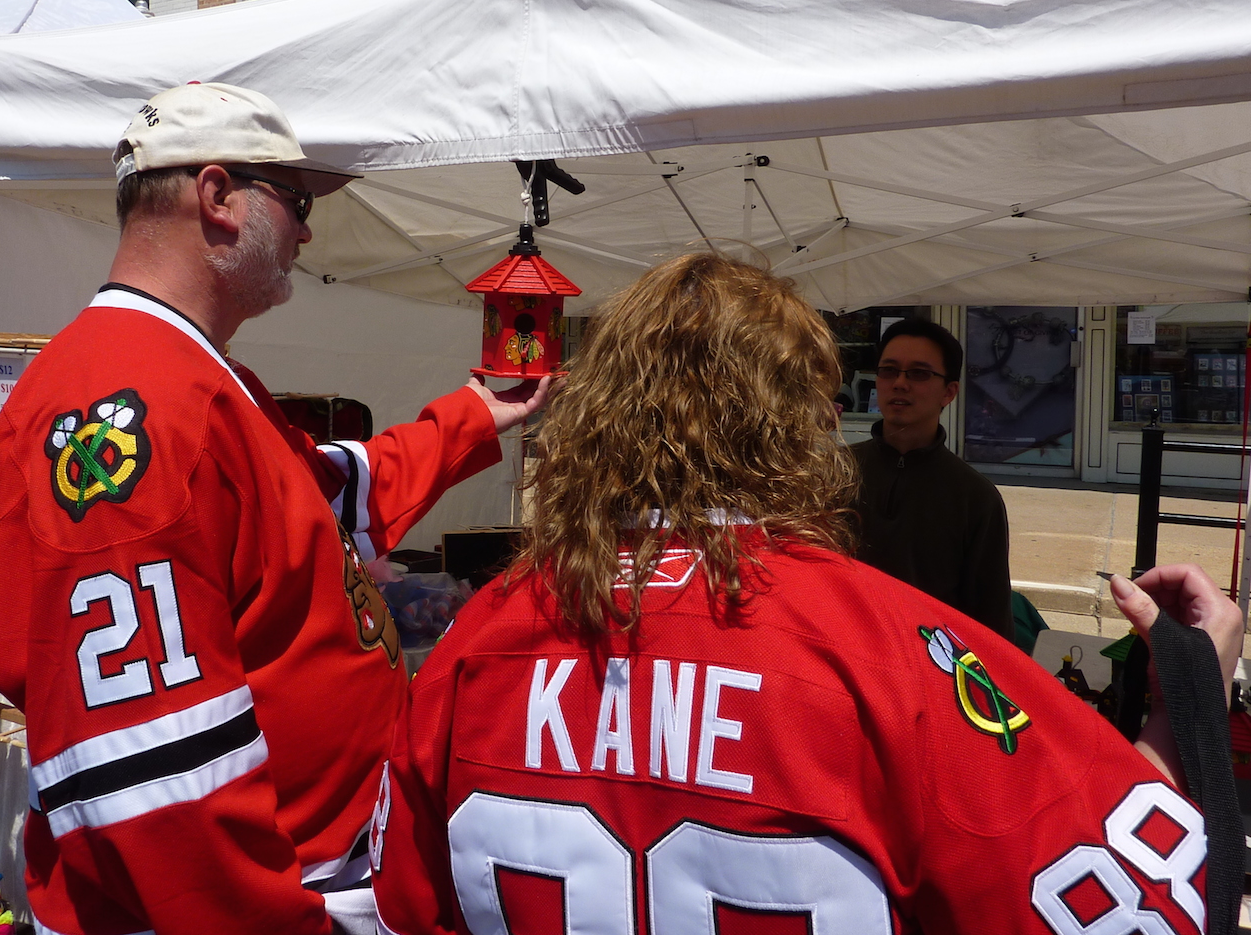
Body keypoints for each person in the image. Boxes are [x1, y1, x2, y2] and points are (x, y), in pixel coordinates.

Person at [370, 254, 1240, 935]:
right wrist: (1187, 699)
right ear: (802, 418)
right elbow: (1128, 898)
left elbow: (404, 903)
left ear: (602, 408)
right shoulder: (892, 651)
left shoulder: (484, 634)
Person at [0, 83, 549, 935]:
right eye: (296, 202)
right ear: (217, 196)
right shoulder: (136, 402)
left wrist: (474, 415)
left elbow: (326, 497)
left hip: (311, 870)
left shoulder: (190, 374)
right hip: (256, 901)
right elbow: (156, 782)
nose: (306, 232)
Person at [852, 317, 1014, 640]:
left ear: (949, 392)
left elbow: (991, 626)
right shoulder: (832, 472)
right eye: (889, 371)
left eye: (919, 374)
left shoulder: (975, 498)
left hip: (928, 660)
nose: (900, 383)